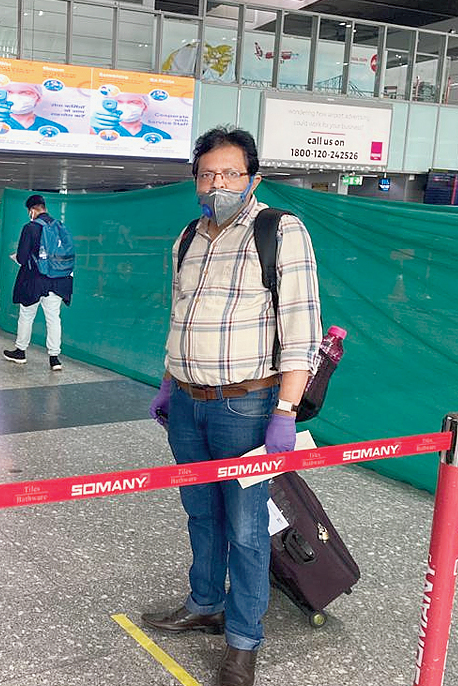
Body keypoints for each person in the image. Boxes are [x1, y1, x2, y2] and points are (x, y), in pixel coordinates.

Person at [144, 126, 321, 686]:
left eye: (231, 174)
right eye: (208, 174)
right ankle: (204, 603)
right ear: (195, 179)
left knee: (247, 530)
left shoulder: (279, 231)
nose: (218, 184)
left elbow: (302, 330)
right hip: (189, 408)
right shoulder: (187, 238)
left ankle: (244, 639)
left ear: (253, 178)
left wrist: (286, 412)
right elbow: (179, 317)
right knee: (200, 513)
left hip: (248, 406)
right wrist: (169, 382)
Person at [2, 194, 73, 371]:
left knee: (26, 315)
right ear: (44, 207)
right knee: (53, 319)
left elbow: (22, 257)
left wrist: (18, 259)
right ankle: (55, 358)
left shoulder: (30, 228)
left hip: (34, 280)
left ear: (32, 210)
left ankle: (20, 352)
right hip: (58, 281)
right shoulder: (60, 226)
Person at [0, 82, 69, 133]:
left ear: (38, 98)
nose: (16, 97)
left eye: (25, 92)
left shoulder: (58, 129)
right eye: (9, 92)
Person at [90, 93, 171, 140]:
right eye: (119, 102)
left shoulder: (161, 136)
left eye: (134, 102)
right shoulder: (99, 130)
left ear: (145, 107)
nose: (126, 106)